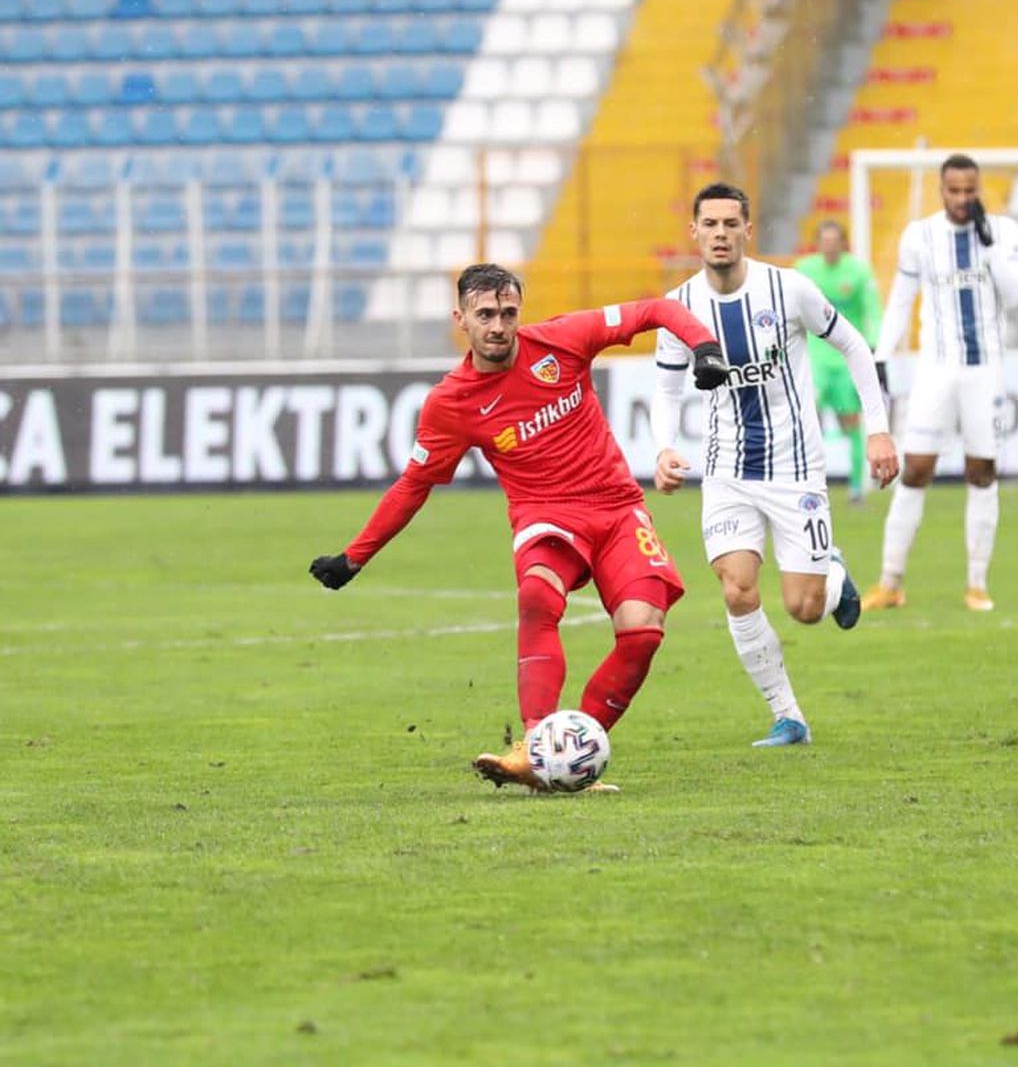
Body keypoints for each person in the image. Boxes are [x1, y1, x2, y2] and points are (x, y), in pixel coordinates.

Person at [309, 262, 730, 792]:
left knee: (643, 633)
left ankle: (569, 754)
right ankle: (534, 748)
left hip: (618, 507)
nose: (498, 325)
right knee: (536, 595)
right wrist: (355, 556)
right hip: (545, 515)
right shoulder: (450, 403)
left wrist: (705, 347)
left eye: (508, 312)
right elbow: (414, 484)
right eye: (485, 314)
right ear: (460, 318)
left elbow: (653, 310)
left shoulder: (562, 341)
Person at [651, 184, 899, 748]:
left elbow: (856, 347)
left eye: (729, 224)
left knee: (804, 608)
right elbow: (666, 388)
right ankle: (788, 716)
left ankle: (830, 573)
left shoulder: (789, 289)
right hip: (727, 471)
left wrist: (879, 428)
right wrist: (663, 448)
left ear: (747, 230)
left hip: (796, 469)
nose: (719, 234)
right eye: (709, 224)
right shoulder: (679, 308)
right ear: (694, 232)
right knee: (737, 589)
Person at [862, 153, 1018, 614]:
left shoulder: (1004, 231)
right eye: (953, 191)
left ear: (979, 190)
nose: (961, 199)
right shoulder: (921, 236)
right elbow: (901, 300)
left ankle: (977, 584)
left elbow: (1017, 299)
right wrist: (881, 354)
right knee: (915, 468)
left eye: (968, 191)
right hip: (935, 370)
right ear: (942, 190)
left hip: (985, 371)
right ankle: (891, 582)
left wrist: (990, 245)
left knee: (982, 472)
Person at [794, 220, 883, 505]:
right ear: (818, 243)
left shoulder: (858, 272)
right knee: (805, 419)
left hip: (844, 360)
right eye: (825, 240)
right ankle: (805, 482)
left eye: (835, 240)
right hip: (815, 359)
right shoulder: (805, 270)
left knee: (851, 422)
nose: (830, 246)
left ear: (843, 243)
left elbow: (873, 309)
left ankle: (857, 487)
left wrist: (873, 343)